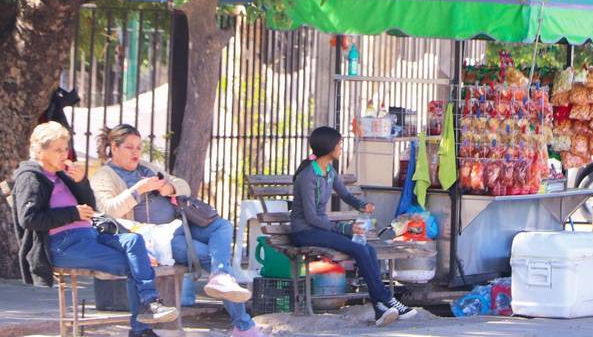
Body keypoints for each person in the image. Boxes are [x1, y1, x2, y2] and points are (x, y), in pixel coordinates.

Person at [90, 124, 263, 337]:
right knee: (209, 255)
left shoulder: (146, 166)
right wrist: (137, 190)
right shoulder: (104, 176)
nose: (136, 152)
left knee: (222, 225)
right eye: (129, 147)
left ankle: (221, 277)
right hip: (155, 239)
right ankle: (243, 324)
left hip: (181, 225)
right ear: (114, 148)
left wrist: (168, 188)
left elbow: (182, 185)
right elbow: (109, 210)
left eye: (138, 147)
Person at [11, 122, 178, 337]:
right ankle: (143, 325)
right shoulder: (31, 177)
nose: (64, 154)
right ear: (40, 151)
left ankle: (149, 306)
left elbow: (91, 207)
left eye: (66, 148)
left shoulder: (62, 174)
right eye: (58, 150)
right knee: (135, 264)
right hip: (62, 244)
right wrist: (73, 213)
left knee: (134, 241)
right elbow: (29, 219)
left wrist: (80, 182)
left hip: (89, 234)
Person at [290, 126, 416, 327]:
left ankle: (379, 309)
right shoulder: (308, 176)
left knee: (368, 249)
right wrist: (345, 229)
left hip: (320, 229)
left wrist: (361, 205)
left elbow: (346, 195)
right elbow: (312, 217)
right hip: (304, 232)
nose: (341, 147)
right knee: (358, 248)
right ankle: (386, 298)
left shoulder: (329, 171)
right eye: (338, 144)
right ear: (328, 147)